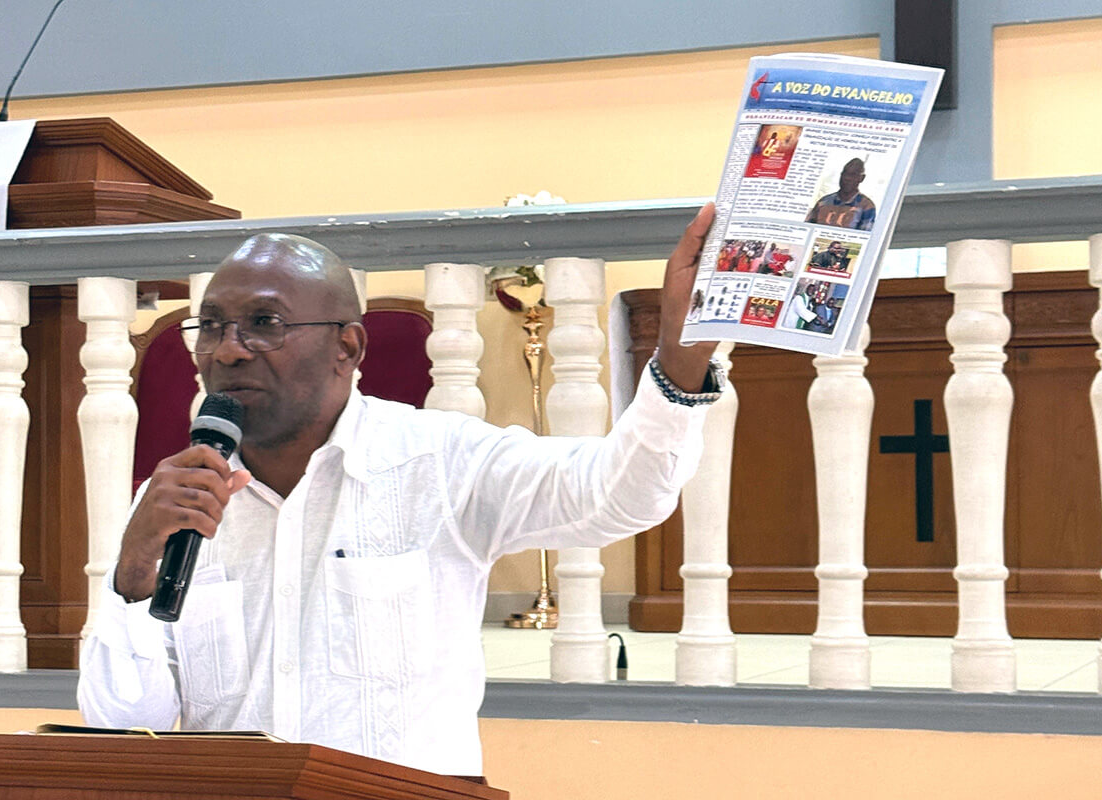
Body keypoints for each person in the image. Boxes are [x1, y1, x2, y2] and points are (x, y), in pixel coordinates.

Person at [77, 205, 723, 777]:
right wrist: (133, 573)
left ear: (347, 347)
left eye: (264, 323)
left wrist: (678, 362)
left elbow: (620, 494)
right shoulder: (174, 508)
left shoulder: (441, 461)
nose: (229, 351)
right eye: (211, 327)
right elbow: (121, 726)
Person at [805, 157, 876, 231]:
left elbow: (865, 235)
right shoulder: (823, 202)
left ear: (861, 178)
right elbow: (807, 227)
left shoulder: (867, 206)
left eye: (853, 175)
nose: (847, 178)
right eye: (845, 173)